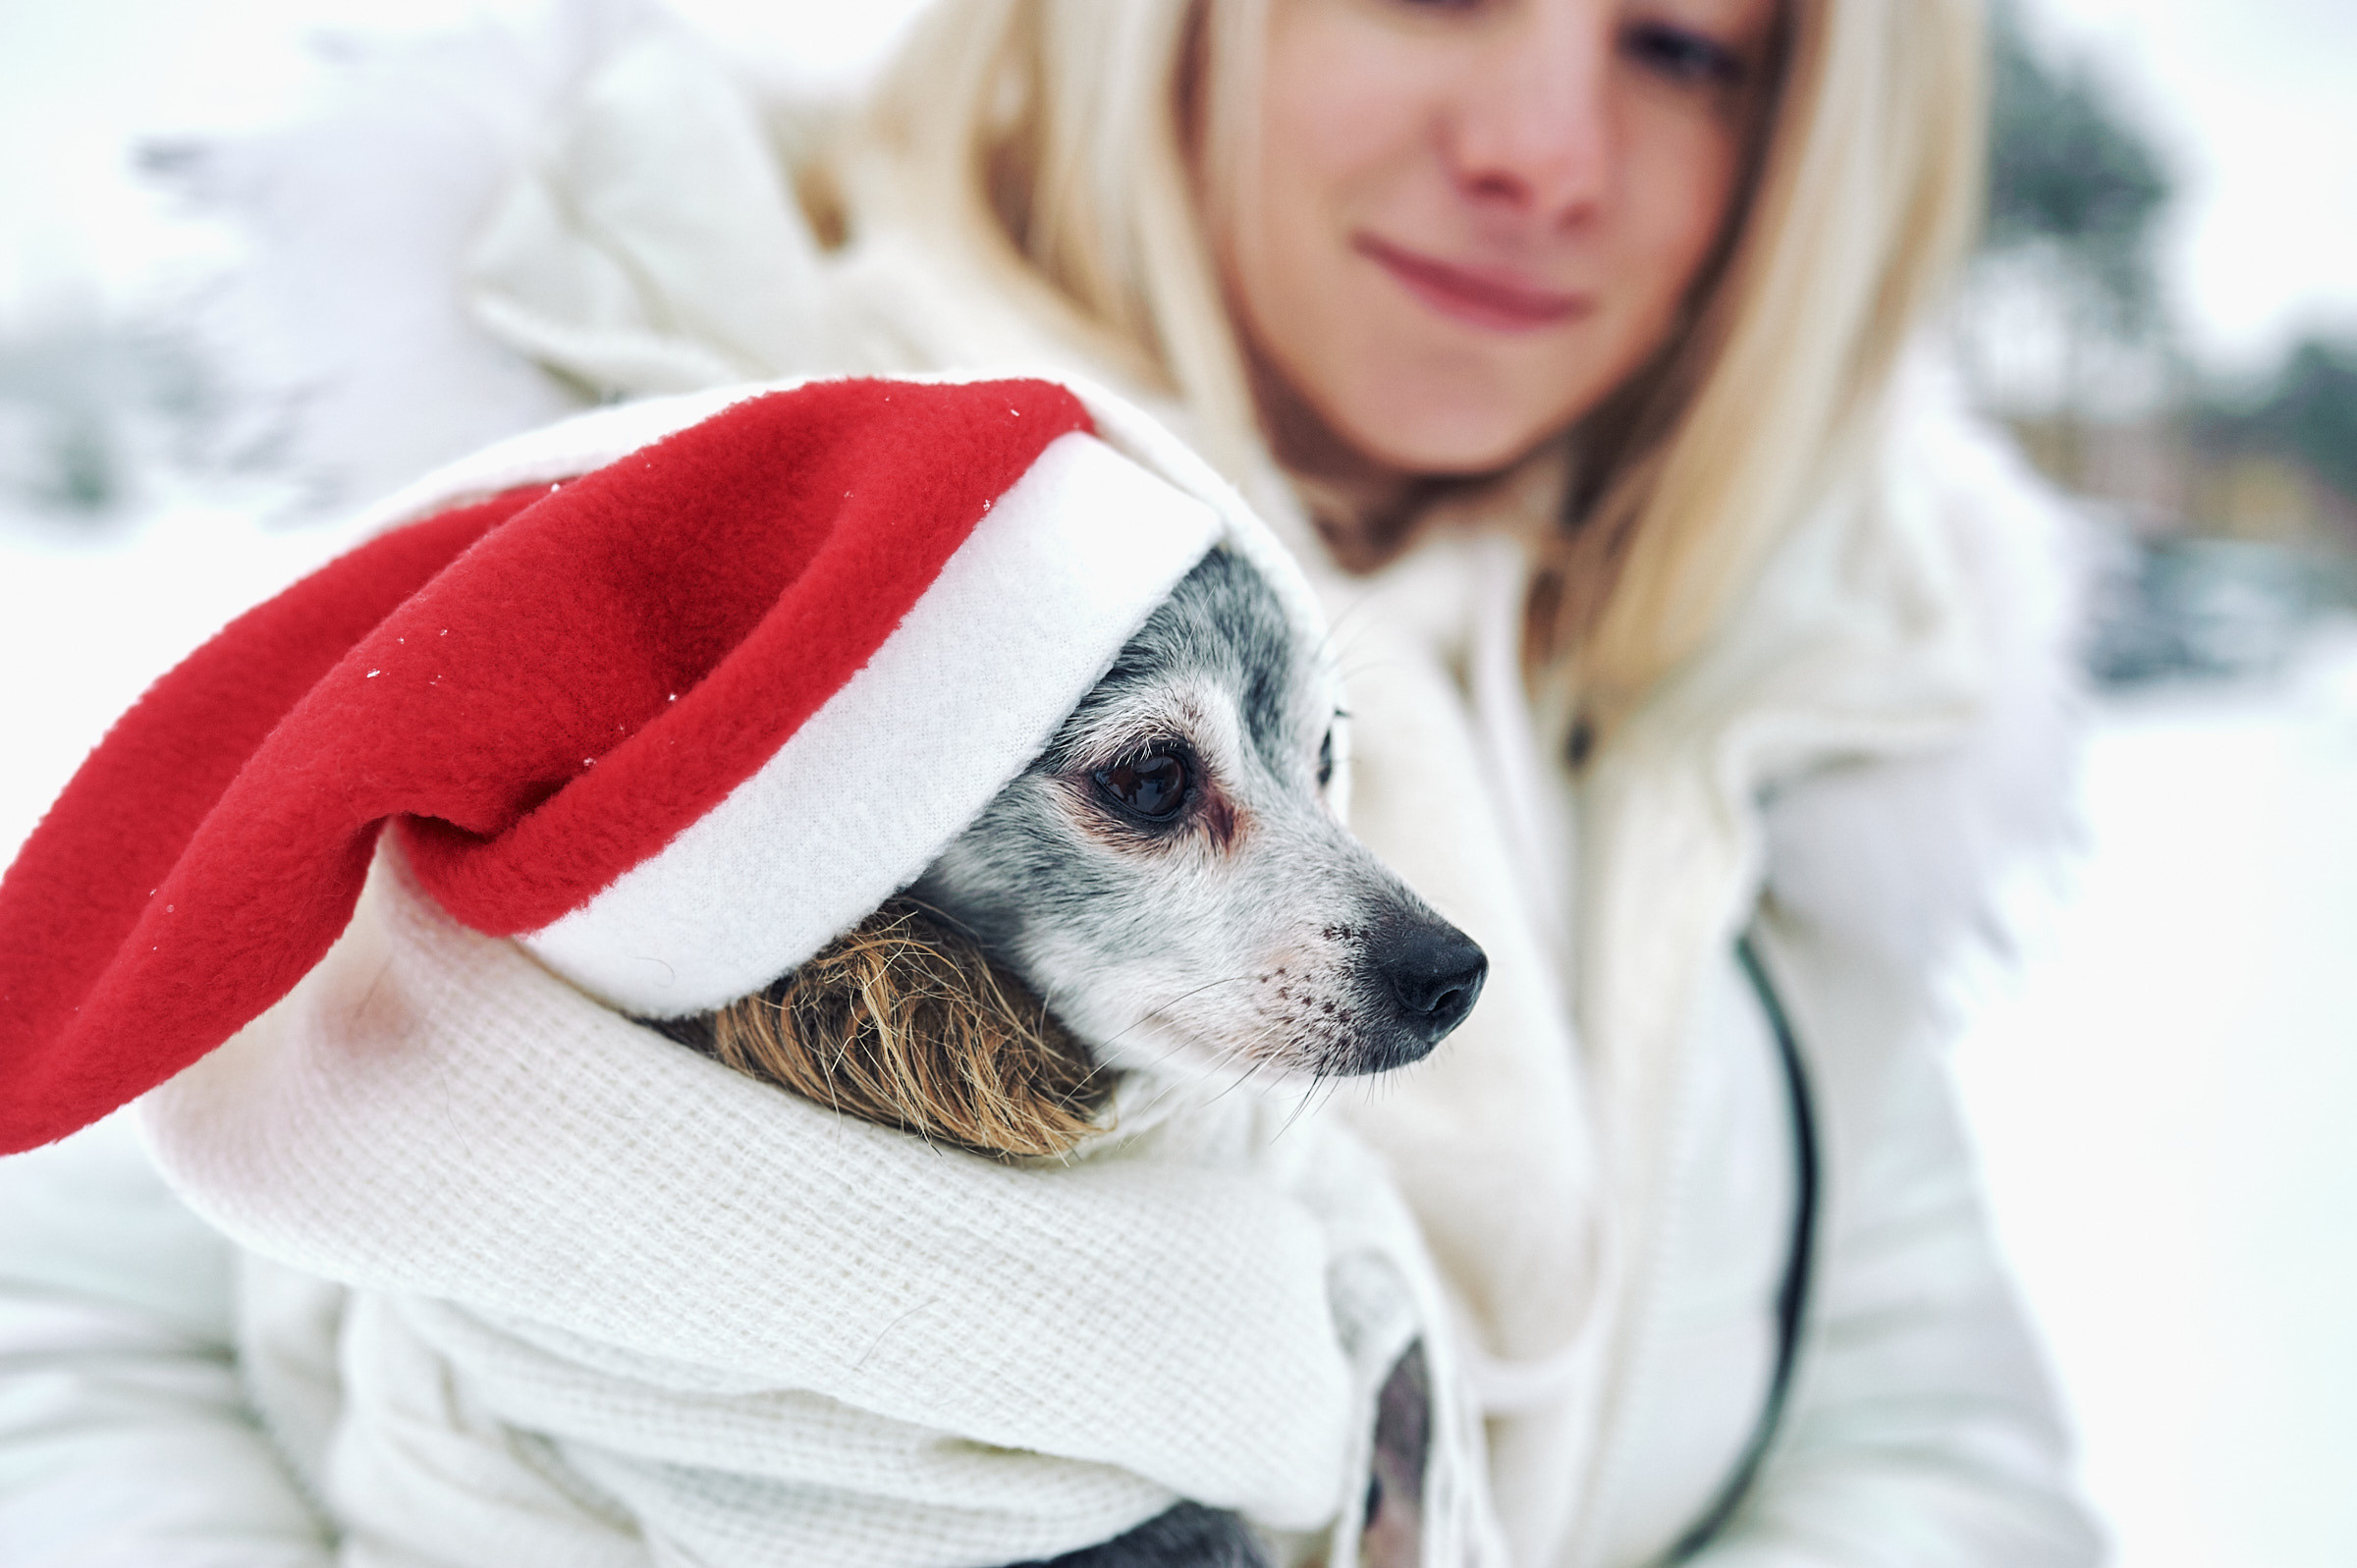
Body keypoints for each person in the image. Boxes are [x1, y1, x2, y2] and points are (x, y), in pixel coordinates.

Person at [0, 1, 2102, 1564]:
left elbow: (1934, 1459)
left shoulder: (1783, 713)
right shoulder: (658, 552)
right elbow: (60, 1345)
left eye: (1684, 49)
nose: (1548, 146)